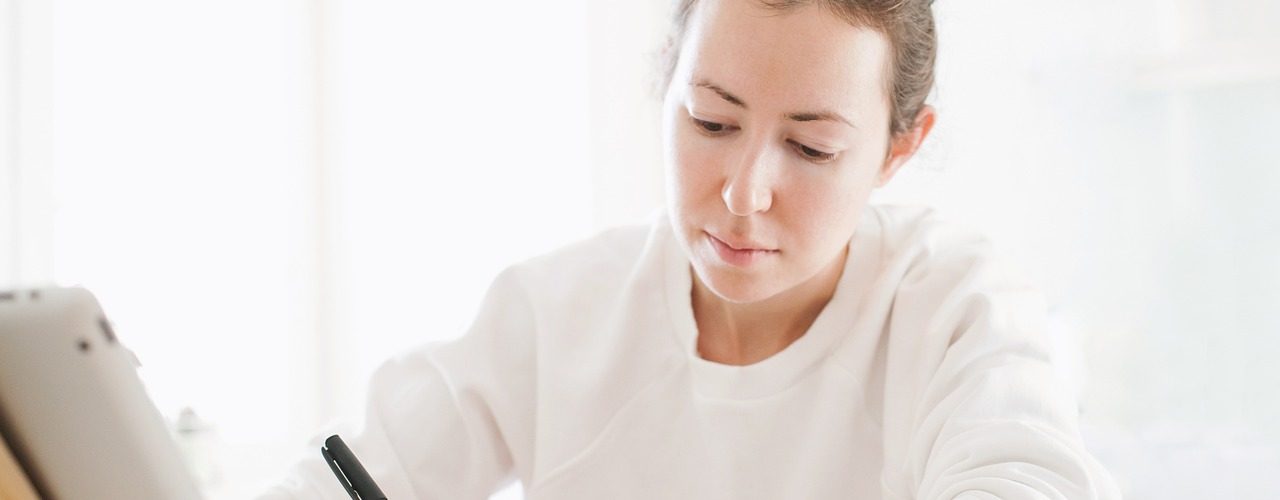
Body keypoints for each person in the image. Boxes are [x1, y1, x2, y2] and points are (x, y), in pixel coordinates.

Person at [261, 0, 1119, 498]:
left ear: (900, 148)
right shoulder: (557, 314)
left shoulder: (953, 309)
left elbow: (1026, 473)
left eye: (812, 147)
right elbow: (354, 471)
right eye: (712, 121)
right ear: (668, 79)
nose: (745, 193)